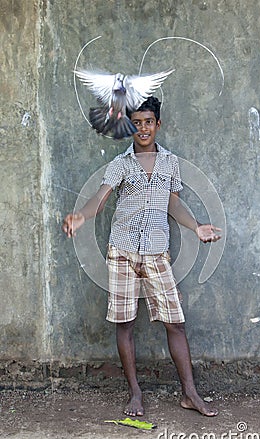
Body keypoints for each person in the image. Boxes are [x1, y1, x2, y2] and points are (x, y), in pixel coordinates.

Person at [62, 96, 221, 417]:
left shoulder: (170, 163)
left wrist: (197, 226)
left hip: (156, 252)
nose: (143, 128)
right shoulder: (120, 165)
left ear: (158, 125)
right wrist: (81, 216)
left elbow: (173, 205)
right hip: (122, 251)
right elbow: (100, 198)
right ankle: (135, 393)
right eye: (137, 123)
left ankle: (190, 393)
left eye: (149, 122)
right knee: (125, 323)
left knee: (175, 323)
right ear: (129, 126)